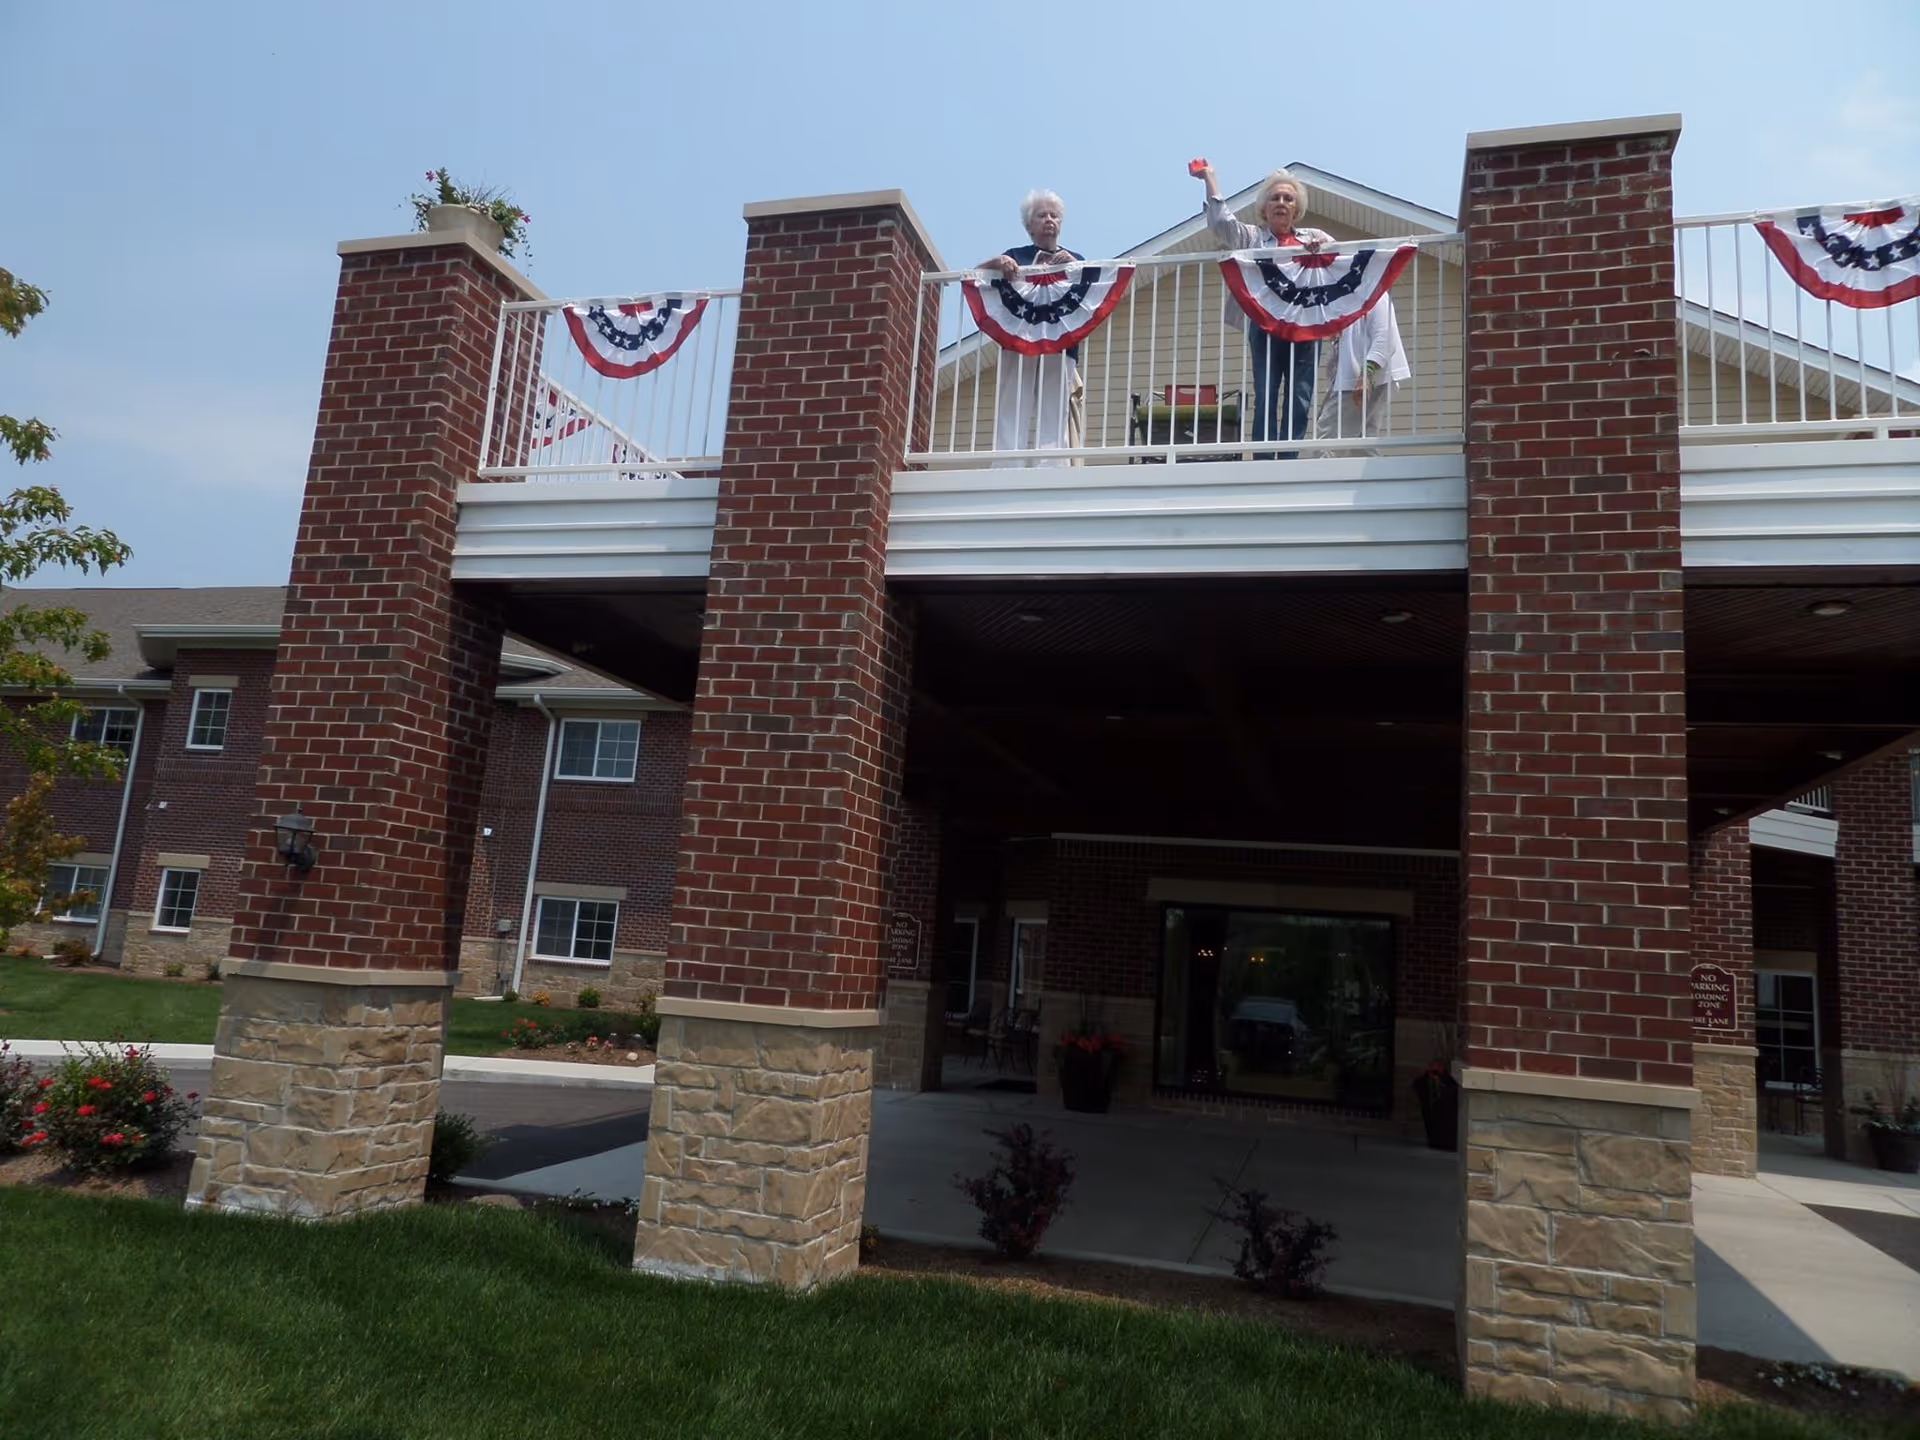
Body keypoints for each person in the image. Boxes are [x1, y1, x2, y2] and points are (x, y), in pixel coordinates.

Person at [1192, 163, 1333, 458]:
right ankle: (1265, 459)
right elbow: (1221, 224)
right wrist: (1210, 179)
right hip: (1265, 325)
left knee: (1301, 396)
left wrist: (1324, 251)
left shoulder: (1313, 238)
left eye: (1288, 199)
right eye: (1275, 198)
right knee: (1266, 393)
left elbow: (1341, 265)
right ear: (1264, 209)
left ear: (1297, 209)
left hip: (1305, 325)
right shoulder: (1253, 238)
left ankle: (1289, 457)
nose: (1282, 203)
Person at [981, 190, 1083, 466]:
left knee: (1054, 402)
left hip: (1059, 340)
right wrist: (997, 263)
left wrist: (1074, 265)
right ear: (1029, 225)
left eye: (1054, 215)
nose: (1049, 220)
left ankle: (1051, 465)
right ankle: (1007, 463)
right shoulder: (1015, 255)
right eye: (1041, 215)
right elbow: (975, 278)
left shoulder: (1075, 258)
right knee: (1013, 399)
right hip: (1019, 337)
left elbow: (1094, 290)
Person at [1314, 293, 1410, 456]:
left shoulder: (1373, 291)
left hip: (1359, 381)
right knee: (1362, 446)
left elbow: (1385, 338)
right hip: (1358, 379)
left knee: (1327, 443)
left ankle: (1323, 481)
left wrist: (1366, 375)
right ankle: (1379, 481)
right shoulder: (1347, 295)